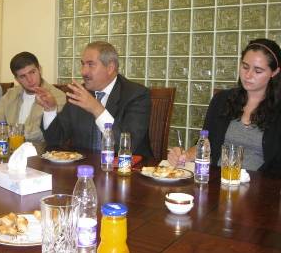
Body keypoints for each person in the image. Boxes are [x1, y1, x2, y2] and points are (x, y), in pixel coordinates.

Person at [168, 38, 281, 176]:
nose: (248, 75)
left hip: (262, 187)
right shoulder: (222, 100)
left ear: (274, 72)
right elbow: (205, 142)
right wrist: (185, 156)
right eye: (245, 66)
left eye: (258, 71)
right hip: (218, 181)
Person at [36, 41, 152, 157]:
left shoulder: (136, 95)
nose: (83, 72)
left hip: (127, 170)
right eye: (83, 64)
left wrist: (96, 108)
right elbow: (56, 141)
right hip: (84, 168)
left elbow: (127, 147)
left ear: (110, 68)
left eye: (91, 65)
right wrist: (50, 110)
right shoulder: (79, 93)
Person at [0, 52, 66, 141]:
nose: (30, 80)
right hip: (9, 150)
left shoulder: (57, 97)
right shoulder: (10, 94)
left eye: (32, 72)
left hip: (39, 152)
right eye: (23, 76)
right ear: (17, 79)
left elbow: (40, 132)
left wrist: (1, 131)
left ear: (39, 69)